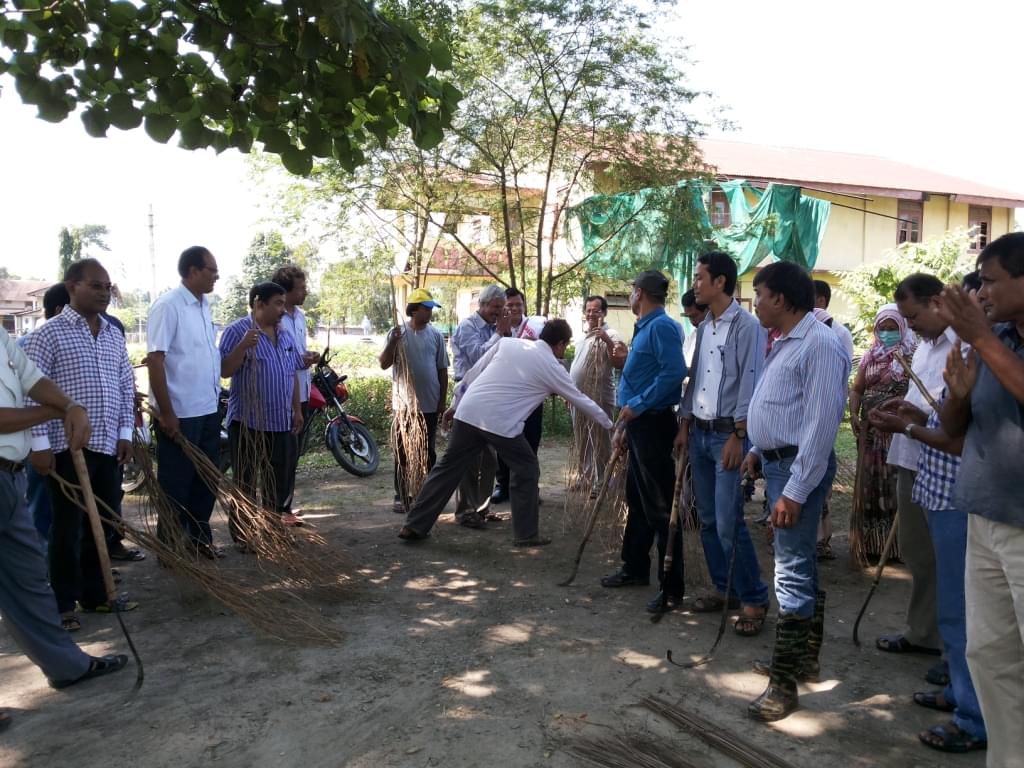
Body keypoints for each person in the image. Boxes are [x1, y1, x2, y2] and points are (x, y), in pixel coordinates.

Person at [868, 275, 989, 754]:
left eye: (985, 292)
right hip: (934, 481)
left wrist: (914, 427)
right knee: (947, 593)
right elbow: (942, 418)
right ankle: (964, 694)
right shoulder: (930, 347)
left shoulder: (977, 347)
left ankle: (974, 713)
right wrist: (914, 417)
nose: (911, 326)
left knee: (964, 606)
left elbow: (956, 435)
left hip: (963, 489)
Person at [0, 327, 128, 728]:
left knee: (29, 579)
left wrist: (71, 403)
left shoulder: (3, 340)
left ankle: (67, 665)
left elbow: (32, 378)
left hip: (10, 476)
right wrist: (58, 412)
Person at [741, 261, 849, 722]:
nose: (757, 303)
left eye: (760, 294)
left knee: (791, 572)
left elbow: (822, 424)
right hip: (778, 464)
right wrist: (755, 450)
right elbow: (780, 406)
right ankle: (802, 660)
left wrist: (797, 491)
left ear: (781, 299)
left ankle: (783, 686)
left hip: (796, 472)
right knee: (797, 564)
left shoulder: (819, 344)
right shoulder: (785, 341)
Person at [398, 319, 612, 545]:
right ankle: (526, 535)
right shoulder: (553, 367)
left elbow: (473, 372)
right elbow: (582, 400)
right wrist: (611, 425)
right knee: (527, 469)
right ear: (560, 344)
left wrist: (454, 404)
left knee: (446, 470)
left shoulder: (509, 344)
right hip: (501, 425)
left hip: (469, 413)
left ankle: (413, 525)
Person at [938, 232, 1024, 767]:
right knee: (989, 656)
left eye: (990, 281)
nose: (982, 293)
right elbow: (953, 430)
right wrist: (959, 395)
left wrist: (982, 338)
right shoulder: (997, 340)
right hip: (984, 515)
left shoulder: (991, 339)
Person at [24, 259, 138, 631]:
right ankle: (62, 604)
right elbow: (31, 394)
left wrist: (125, 434)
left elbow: (124, 388)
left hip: (107, 442)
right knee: (66, 526)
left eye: (107, 287)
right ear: (72, 287)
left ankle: (96, 595)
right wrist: (39, 445)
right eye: (96, 286)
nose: (104, 293)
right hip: (64, 446)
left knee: (101, 522)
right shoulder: (49, 335)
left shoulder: (112, 335)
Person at [677, 251, 770, 635]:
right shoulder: (704, 327)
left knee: (730, 520)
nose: (695, 283)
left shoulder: (747, 327)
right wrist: (684, 423)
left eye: (700, 277)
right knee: (710, 519)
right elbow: (696, 378)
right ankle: (724, 587)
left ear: (720, 282)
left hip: (726, 436)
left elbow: (751, 382)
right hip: (698, 432)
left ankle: (755, 598)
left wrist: (738, 434)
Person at [601, 270, 686, 614]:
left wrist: (636, 406)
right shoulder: (646, 327)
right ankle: (634, 566)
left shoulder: (662, 327)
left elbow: (674, 373)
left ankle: (671, 586)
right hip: (637, 425)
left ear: (638, 293)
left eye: (632, 293)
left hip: (652, 424)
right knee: (636, 498)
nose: (630, 297)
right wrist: (625, 422)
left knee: (660, 506)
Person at [874, 274, 948, 658]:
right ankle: (923, 632)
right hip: (911, 457)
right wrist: (902, 410)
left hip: (945, 466)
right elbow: (920, 402)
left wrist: (912, 420)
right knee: (918, 553)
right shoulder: (922, 348)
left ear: (937, 301)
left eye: (914, 315)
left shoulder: (964, 349)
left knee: (948, 558)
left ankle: (951, 648)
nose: (911, 325)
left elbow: (951, 418)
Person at [146, 246, 226, 558]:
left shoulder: (204, 306)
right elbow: (155, 360)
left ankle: (198, 539)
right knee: (176, 483)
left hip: (207, 409)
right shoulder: (168, 306)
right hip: (179, 413)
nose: (216, 276)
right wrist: (166, 412)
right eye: (211, 270)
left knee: (207, 479)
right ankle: (172, 547)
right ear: (192, 271)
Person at [220, 282, 304, 544]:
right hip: (248, 422)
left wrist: (297, 410)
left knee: (275, 481)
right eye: (277, 303)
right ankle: (244, 535)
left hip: (280, 421)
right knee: (245, 480)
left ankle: (270, 529)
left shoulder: (284, 333)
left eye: (283, 303)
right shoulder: (237, 331)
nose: (282, 309)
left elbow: (291, 373)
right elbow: (224, 370)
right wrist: (243, 346)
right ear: (259, 304)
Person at [848, 304, 916, 564]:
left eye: (892, 329)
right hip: (869, 433)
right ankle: (870, 545)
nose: (887, 333)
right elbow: (857, 389)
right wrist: (854, 414)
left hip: (895, 433)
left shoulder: (910, 358)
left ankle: (896, 547)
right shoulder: (870, 357)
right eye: (882, 329)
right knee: (868, 486)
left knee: (893, 487)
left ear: (902, 328)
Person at [380, 288, 449, 513]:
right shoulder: (397, 333)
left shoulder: (436, 335)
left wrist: (441, 401)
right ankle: (400, 495)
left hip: (429, 404)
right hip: (404, 405)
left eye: (431, 309)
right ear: (414, 310)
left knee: (427, 451)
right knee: (402, 451)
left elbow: (442, 370)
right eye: (427, 308)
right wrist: (393, 343)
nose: (430, 313)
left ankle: (425, 493)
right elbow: (384, 363)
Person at [449, 285, 509, 528]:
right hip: (467, 396)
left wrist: (504, 334)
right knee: (470, 458)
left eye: (501, 308)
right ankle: (465, 511)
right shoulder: (467, 327)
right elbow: (478, 359)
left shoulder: (499, 328)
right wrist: (499, 334)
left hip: (489, 398)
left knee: (490, 460)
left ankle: (481, 509)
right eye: (496, 307)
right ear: (482, 305)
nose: (499, 312)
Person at [20, 283, 70, 553]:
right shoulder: (33, 342)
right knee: (42, 506)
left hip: (64, 441)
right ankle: (42, 567)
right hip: (40, 441)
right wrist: (40, 445)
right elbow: (28, 397)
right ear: (61, 310)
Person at [491, 288, 546, 505]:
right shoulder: (497, 328)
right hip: (505, 396)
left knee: (531, 442)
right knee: (504, 441)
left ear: (524, 306)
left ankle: (529, 488)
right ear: (504, 307)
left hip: (531, 396)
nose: (514, 309)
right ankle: (502, 486)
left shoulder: (536, 327)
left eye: (518, 305)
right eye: (510, 305)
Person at [273, 265, 320, 518]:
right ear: (287, 290)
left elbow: (296, 352)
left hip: (301, 392)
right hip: (282, 396)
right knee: (282, 455)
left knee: (294, 454)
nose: (305, 291)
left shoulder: (300, 316)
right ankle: (278, 508)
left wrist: (307, 356)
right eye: (301, 287)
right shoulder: (273, 319)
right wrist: (297, 359)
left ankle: (286, 505)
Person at [568, 295, 622, 494]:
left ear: (604, 313)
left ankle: (602, 483)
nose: (591, 314)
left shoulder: (611, 334)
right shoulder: (583, 337)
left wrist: (606, 340)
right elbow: (575, 367)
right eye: (588, 310)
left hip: (599, 397)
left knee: (600, 441)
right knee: (582, 439)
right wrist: (569, 393)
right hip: (578, 398)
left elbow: (619, 361)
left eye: (596, 310)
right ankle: (585, 478)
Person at [813, 280, 855, 360]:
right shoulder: (798, 329)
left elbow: (846, 367)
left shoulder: (841, 333)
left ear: (821, 300)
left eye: (808, 299)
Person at [681, 288, 709, 369]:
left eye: (695, 316)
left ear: (708, 310)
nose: (692, 322)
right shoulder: (693, 335)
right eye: (689, 317)